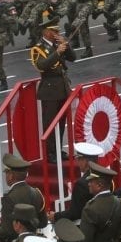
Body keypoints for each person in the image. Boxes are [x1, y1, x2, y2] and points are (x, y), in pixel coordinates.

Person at [31, 20, 77, 162]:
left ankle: (58, 149)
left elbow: (73, 58)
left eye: (57, 31)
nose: (57, 33)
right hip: (49, 89)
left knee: (61, 122)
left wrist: (66, 46)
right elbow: (42, 65)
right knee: (50, 123)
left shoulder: (58, 44)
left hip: (62, 87)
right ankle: (50, 153)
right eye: (54, 31)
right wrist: (57, 53)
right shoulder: (38, 48)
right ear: (46, 32)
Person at [0, 153, 45, 242]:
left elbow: (6, 231)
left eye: (7, 173)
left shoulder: (9, 198)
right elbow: (43, 223)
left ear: (11, 176)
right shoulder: (37, 193)